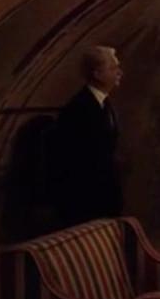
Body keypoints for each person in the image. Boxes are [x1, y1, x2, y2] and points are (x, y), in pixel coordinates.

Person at [50, 44, 126, 226]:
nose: (119, 72)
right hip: (86, 200)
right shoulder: (78, 109)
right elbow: (73, 159)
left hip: (104, 194)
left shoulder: (105, 104)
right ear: (97, 74)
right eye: (113, 68)